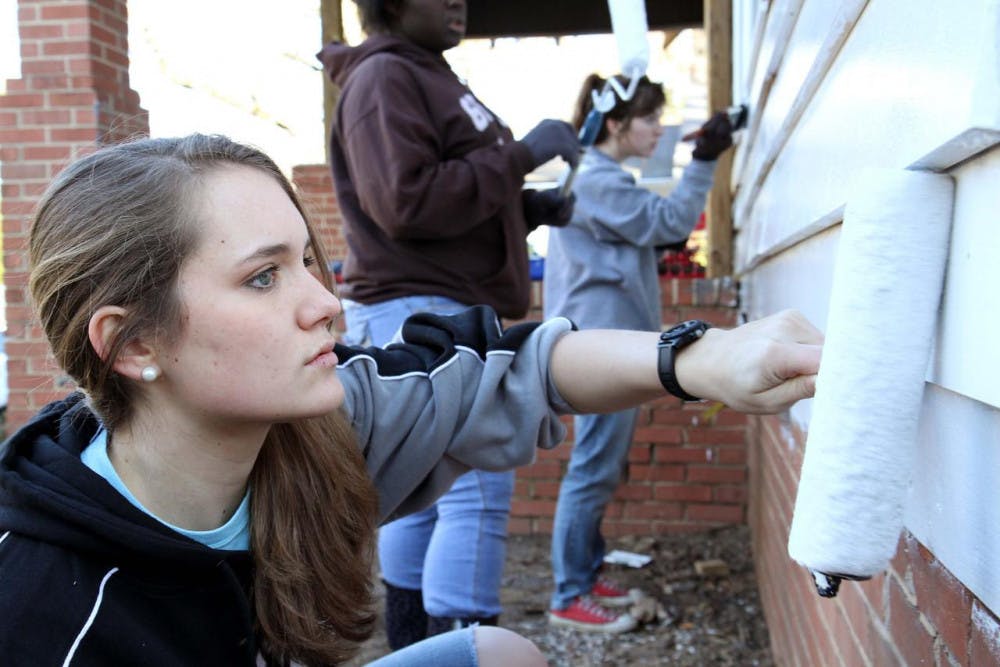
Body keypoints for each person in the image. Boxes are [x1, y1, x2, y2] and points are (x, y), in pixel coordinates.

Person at [0, 134, 820, 666]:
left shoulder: (317, 428)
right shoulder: (45, 608)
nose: (327, 303)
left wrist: (703, 357)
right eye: (261, 276)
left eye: (308, 261)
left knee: (500, 656)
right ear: (135, 343)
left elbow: (518, 364)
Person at [317, 0, 580, 649]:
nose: (460, 2)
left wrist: (526, 209)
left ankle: (415, 648)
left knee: (418, 490)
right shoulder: (384, 79)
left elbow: (448, 191)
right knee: (477, 492)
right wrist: (519, 157)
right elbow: (405, 202)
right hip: (422, 306)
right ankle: (463, 649)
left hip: (430, 301)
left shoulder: (424, 72)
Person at [543, 73, 737, 632]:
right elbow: (672, 224)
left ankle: (585, 569)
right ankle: (569, 595)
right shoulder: (599, 181)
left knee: (602, 466)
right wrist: (704, 157)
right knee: (591, 468)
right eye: (649, 118)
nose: (658, 127)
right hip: (600, 347)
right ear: (614, 124)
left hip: (607, 343)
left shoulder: (600, 176)